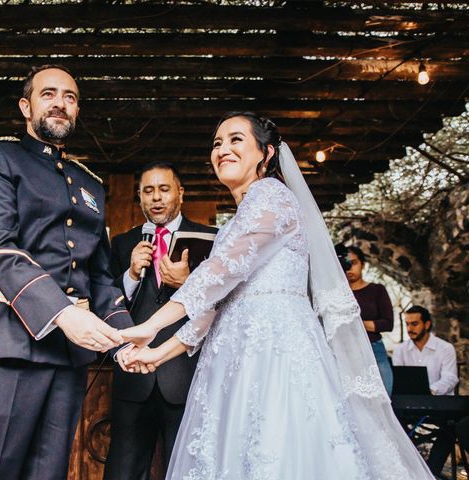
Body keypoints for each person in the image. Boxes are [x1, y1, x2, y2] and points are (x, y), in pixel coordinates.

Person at [117, 112, 434, 479]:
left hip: (275, 356)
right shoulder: (232, 225)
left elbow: (220, 272)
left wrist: (150, 325)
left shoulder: (273, 198)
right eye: (217, 143)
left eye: (236, 140)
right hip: (231, 361)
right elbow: (211, 309)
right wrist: (157, 354)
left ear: (265, 154)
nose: (222, 149)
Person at [0, 65, 132, 480]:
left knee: (48, 472)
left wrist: (124, 340)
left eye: (70, 97)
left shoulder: (89, 183)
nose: (60, 103)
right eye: (48, 94)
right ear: (26, 106)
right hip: (6, 344)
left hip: (66, 358)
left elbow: (101, 275)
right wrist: (65, 313)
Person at [104, 162, 217, 480]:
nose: (156, 197)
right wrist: (129, 275)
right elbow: (107, 301)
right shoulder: (124, 243)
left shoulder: (210, 238)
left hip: (186, 376)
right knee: (122, 470)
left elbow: (223, 305)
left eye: (164, 189)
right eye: (148, 191)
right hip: (133, 374)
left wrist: (188, 283)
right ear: (139, 197)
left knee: (184, 470)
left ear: (180, 193)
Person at [393, 305, 458, 476]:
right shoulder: (400, 350)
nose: (409, 329)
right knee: (394, 422)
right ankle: (408, 470)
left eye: (414, 324)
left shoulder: (445, 348)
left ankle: (430, 472)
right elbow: (400, 379)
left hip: (439, 403)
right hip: (409, 404)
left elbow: (450, 378)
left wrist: (431, 390)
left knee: (451, 427)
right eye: (407, 324)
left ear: (427, 324)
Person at [346, 245, 395, 395]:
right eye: (345, 264)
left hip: (374, 348)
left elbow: (387, 323)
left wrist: (355, 323)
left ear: (362, 264)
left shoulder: (377, 290)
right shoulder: (336, 295)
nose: (349, 268)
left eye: (353, 263)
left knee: (385, 394)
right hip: (346, 350)